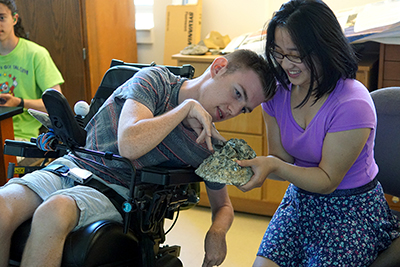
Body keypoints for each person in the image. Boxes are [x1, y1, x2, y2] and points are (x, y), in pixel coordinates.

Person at [0, 48, 276, 267]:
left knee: (53, 211)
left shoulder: (208, 146)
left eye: (244, 109)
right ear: (218, 68)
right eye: (237, 94)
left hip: (116, 191)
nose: (233, 109)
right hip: (74, 166)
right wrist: (184, 109)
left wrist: (217, 232)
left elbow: (223, 206)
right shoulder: (155, 81)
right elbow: (130, 142)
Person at [236, 0, 400, 266]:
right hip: (300, 200)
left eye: (295, 54)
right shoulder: (277, 92)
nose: (286, 64)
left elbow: (327, 181)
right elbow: (281, 160)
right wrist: (246, 167)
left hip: (349, 208)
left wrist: (273, 165)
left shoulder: (351, 103)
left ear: (324, 48)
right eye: (277, 53)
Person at [0, 0, 64, 141]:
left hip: (20, 138)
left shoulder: (36, 54)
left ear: (14, 19)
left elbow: (57, 105)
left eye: (1, 17)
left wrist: (19, 102)